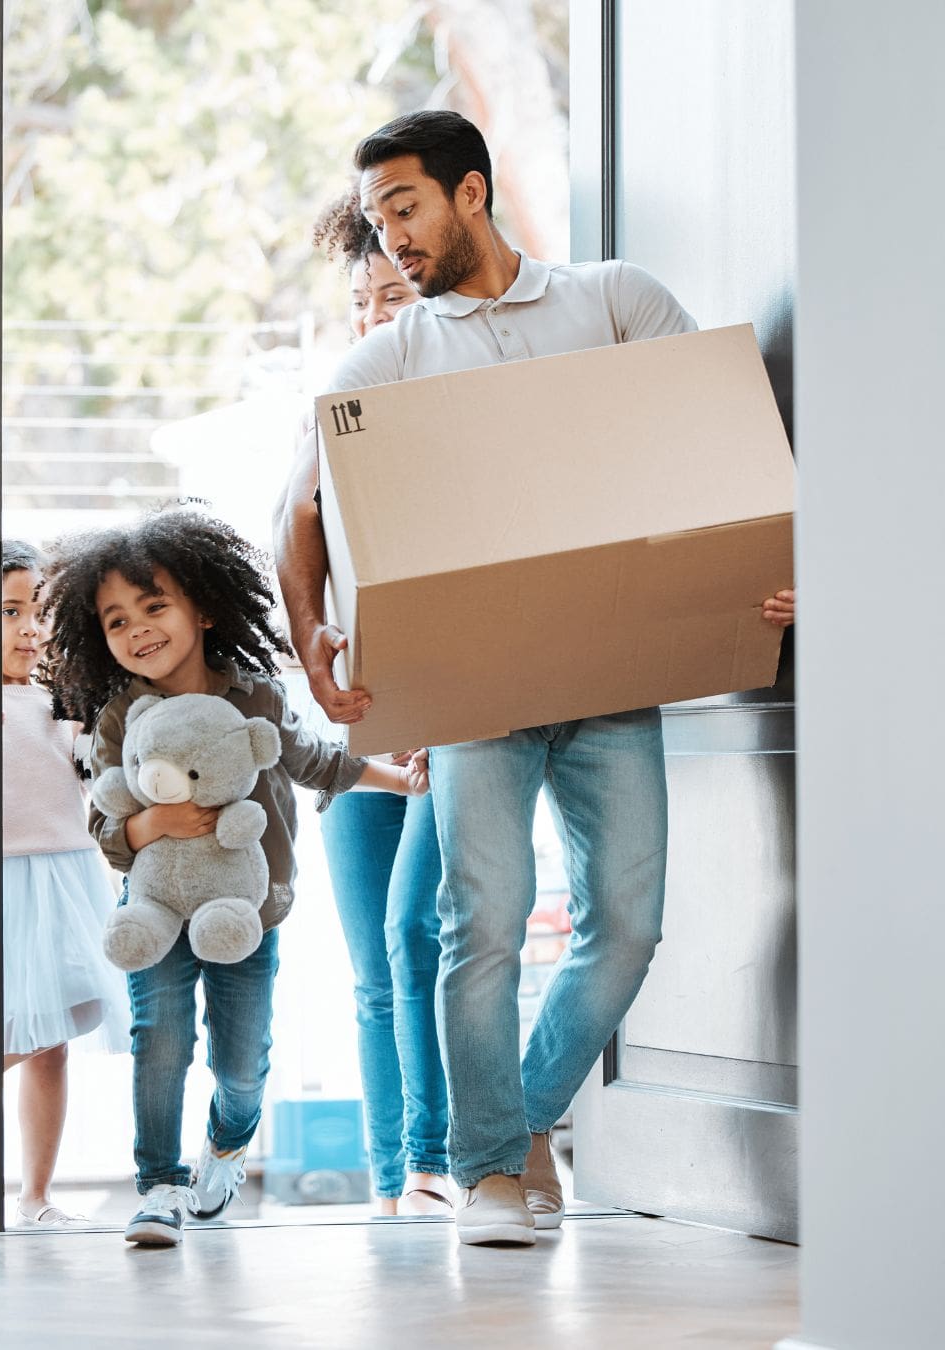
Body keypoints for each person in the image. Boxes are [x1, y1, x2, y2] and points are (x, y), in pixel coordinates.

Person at [274, 110, 797, 1247]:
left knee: (627, 924)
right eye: (375, 220)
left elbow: (721, 446)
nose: (391, 238)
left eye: (404, 208)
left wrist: (774, 567)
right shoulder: (391, 357)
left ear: (471, 191)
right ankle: (486, 1176)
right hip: (478, 695)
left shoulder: (613, 301)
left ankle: (522, 1123)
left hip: (615, 676)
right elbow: (301, 510)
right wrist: (313, 638)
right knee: (485, 926)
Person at [44, 508, 428, 1246]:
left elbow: (317, 761)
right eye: (117, 620)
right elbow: (104, 820)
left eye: (154, 606)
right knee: (160, 1040)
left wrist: (400, 779)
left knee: (243, 1063)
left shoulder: (254, 696)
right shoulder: (120, 716)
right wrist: (148, 827)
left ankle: (225, 1143)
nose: (138, 629)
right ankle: (158, 1184)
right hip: (155, 905)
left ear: (205, 609)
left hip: (246, 911)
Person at [303, 192, 449, 1215]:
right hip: (355, 730)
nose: (373, 316)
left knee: (419, 939)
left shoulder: (465, 409)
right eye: (361, 300)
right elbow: (299, 559)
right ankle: (395, 1181)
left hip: (451, 727)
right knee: (371, 971)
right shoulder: (329, 420)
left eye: (392, 294)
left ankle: (442, 1158)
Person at [1, 539, 129, 1229]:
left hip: (70, 871)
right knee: (25, 1023)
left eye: (37, 611)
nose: (29, 628)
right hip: (4, 878)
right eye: (9, 611)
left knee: (58, 1034)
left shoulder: (57, 698)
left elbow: (92, 770)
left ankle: (36, 1195)